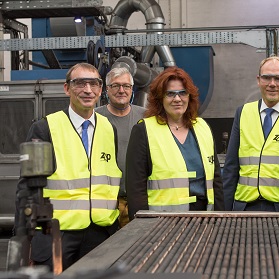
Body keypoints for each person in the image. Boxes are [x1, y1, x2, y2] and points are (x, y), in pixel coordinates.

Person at [15, 63, 121, 271]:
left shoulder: (109, 129)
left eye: (94, 84)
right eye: (80, 83)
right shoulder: (44, 128)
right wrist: (23, 241)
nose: (88, 90)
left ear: (101, 90)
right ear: (67, 89)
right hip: (56, 234)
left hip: (101, 233)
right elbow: (25, 188)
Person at [126, 66, 224, 218]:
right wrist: (141, 225)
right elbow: (136, 188)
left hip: (205, 217)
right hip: (161, 222)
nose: (177, 99)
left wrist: (220, 218)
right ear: (160, 98)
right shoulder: (143, 130)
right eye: (170, 94)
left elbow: (216, 180)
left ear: (189, 96)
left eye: (182, 93)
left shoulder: (202, 127)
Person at [222, 55, 279, 212]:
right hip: (245, 206)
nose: (272, 84)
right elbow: (231, 168)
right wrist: (225, 211)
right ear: (258, 80)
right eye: (267, 78)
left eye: (278, 78)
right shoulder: (243, 112)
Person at [95, 67, 145, 228]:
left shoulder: (146, 117)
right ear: (106, 90)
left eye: (126, 86)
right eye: (115, 86)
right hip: (106, 201)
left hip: (139, 198)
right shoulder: (95, 118)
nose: (121, 90)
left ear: (132, 90)